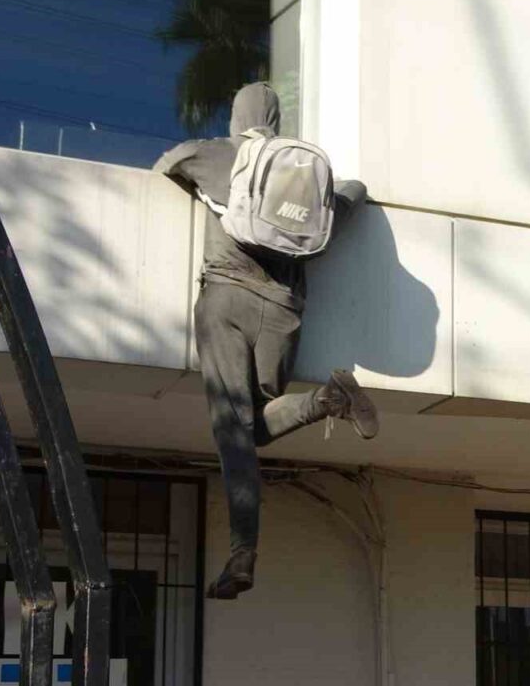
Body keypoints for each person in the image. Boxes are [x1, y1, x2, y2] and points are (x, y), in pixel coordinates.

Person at [155, 83, 379, 599]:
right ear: (276, 123)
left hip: (226, 300)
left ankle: (243, 551)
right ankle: (329, 398)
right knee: (253, 425)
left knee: (234, 428)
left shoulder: (221, 153)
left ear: (238, 117)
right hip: (282, 313)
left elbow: (170, 161)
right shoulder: (302, 179)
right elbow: (355, 193)